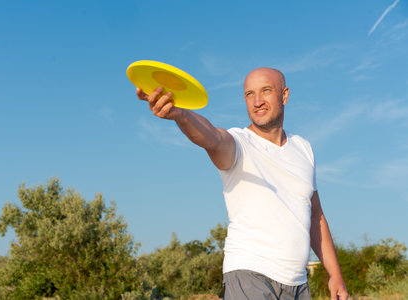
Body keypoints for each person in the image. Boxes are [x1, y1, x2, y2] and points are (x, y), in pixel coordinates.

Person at [136, 67, 348, 300]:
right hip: (250, 277)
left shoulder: (303, 148)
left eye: (266, 91)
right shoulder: (238, 142)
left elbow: (316, 215)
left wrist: (335, 274)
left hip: (297, 284)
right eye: (249, 94)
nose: (257, 101)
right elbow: (212, 137)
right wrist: (181, 115)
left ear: (284, 95)